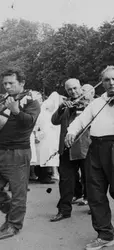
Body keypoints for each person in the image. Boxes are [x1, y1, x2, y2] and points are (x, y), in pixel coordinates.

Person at [65, 66, 114, 249]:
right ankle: (105, 234)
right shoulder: (96, 103)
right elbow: (81, 121)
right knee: (94, 193)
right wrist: (71, 132)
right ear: (102, 83)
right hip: (96, 148)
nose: (111, 83)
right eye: (107, 80)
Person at [0, 68, 41, 239]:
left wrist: (16, 110)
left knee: (18, 192)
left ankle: (14, 225)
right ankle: (10, 213)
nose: (7, 87)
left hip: (18, 152)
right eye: (5, 84)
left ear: (22, 83)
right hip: (1, 149)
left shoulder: (31, 101)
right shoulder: (4, 100)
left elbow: (29, 123)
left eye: (11, 83)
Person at [50, 79, 92, 222]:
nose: (73, 92)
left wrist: (82, 108)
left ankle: (94, 206)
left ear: (80, 88)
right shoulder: (66, 104)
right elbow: (54, 121)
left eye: (75, 88)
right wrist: (61, 107)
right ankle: (64, 210)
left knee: (90, 179)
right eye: (69, 90)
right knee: (65, 180)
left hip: (85, 147)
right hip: (67, 147)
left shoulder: (90, 103)